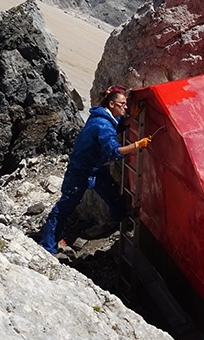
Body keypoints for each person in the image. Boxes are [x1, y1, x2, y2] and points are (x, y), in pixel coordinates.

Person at [40, 87, 150, 255]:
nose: (125, 108)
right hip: (81, 170)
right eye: (122, 104)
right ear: (112, 104)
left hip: (95, 168)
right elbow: (113, 151)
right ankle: (47, 246)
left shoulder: (103, 116)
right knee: (65, 207)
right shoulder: (102, 125)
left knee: (113, 195)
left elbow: (117, 126)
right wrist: (137, 145)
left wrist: (133, 117)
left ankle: (121, 222)